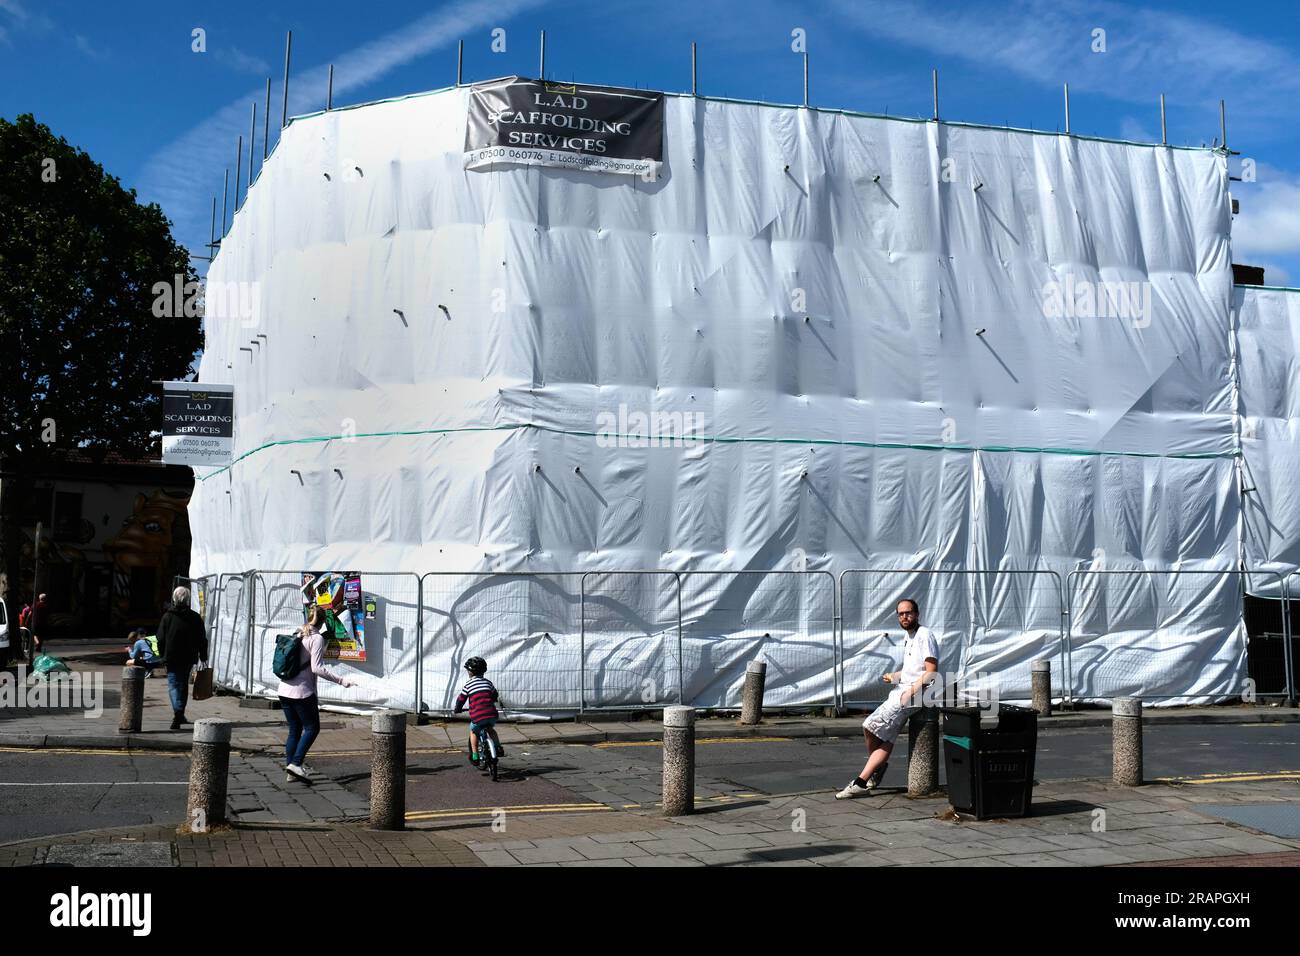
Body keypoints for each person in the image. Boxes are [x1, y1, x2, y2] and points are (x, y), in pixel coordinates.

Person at [836, 598, 939, 799]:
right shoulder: (908, 636)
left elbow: (931, 672)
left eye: (908, 613)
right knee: (880, 733)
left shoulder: (925, 635)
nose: (904, 617)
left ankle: (861, 781)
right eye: (900, 614)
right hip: (903, 690)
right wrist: (895, 676)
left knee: (870, 725)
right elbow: (913, 670)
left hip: (911, 695)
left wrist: (911, 692)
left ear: (917, 614)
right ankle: (876, 769)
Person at [277, 605, 355, 783]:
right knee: (312, 728)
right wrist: (342, 681)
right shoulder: (317, 638)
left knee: (294, 730)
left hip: (284, 688)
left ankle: (291, 771)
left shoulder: (299, 631)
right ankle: (296, 763)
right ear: (323, 621)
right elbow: (317, 668)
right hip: (302, 692)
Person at [155, 586, 209, 730]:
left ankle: (178, 713)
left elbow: (159, 639)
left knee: (173, 684)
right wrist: (203, 655)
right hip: (188, 656)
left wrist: (162, 655)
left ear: (173, 599)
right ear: (188, 600)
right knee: (183, 684)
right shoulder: (195, 617)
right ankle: (180, 713)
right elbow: (202, 639)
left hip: (171, 656)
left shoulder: (167, 617)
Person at [454, 657, 502, 767]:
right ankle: (498, 747)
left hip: (478, 716)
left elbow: (461, 699)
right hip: (492, 714)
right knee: (491, 730)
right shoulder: (488, 683)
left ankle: (475, 755)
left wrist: (458, 709)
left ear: (470, 672)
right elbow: (494, 694)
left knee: (473, 732)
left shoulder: (468, 685)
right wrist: (492, 699)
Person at [29, 593, 49, 662]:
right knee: (41, 635)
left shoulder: (35, 604)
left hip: (35, 622)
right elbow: (48, 615)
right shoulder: (46, 606)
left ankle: (37, 642)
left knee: (34, 634)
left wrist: (27, 620)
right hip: (43, 623)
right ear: (45, 599)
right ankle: (39, 647)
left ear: (39, 598)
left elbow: (30, 613)